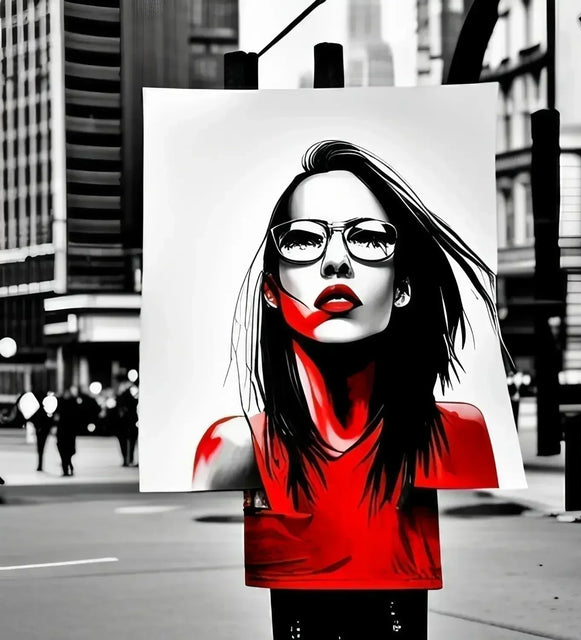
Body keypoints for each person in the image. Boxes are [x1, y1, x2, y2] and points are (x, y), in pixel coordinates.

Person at [192, 140, 502, 639]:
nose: (336, 262)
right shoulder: (232, 446)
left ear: (402, 287)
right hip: (298, 596)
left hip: (399, 591)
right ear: (272, 289)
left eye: (368, 238)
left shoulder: (459, 432)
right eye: (304, 240)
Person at [55, 387, 81, 476]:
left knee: (66, 451)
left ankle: (67, 467)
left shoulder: (70, 403)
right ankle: (67, 467)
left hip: (68, 431)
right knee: (64, 450)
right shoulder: (62, 402)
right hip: (65, 431)